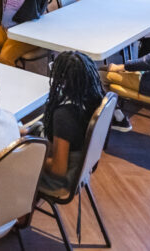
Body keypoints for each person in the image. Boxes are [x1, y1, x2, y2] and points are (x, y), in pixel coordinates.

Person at [38, 51, 104, 195]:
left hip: (62, 180)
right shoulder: (94, 99)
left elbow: (58, 170)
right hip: (81, 168)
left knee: (8, 167)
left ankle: (19, 214)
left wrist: (34, 159)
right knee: (34, 130)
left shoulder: (64, 115)